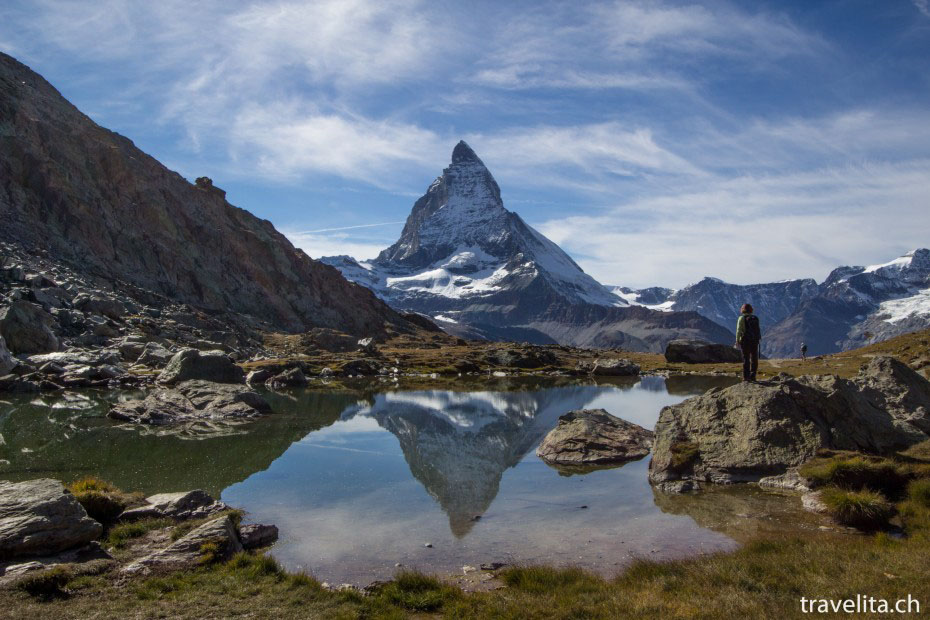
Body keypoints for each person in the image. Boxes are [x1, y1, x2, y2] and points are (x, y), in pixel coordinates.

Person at [735, 303, 761, 382]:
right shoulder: (755, 318)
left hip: (746, 341)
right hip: (755, 341)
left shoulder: (741, 318)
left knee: (746, 358)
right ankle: (753, 376)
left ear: (742, 310)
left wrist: (737, 340)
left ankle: (746, 377)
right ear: (751, 310)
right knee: (754, 358)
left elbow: (739, 330)